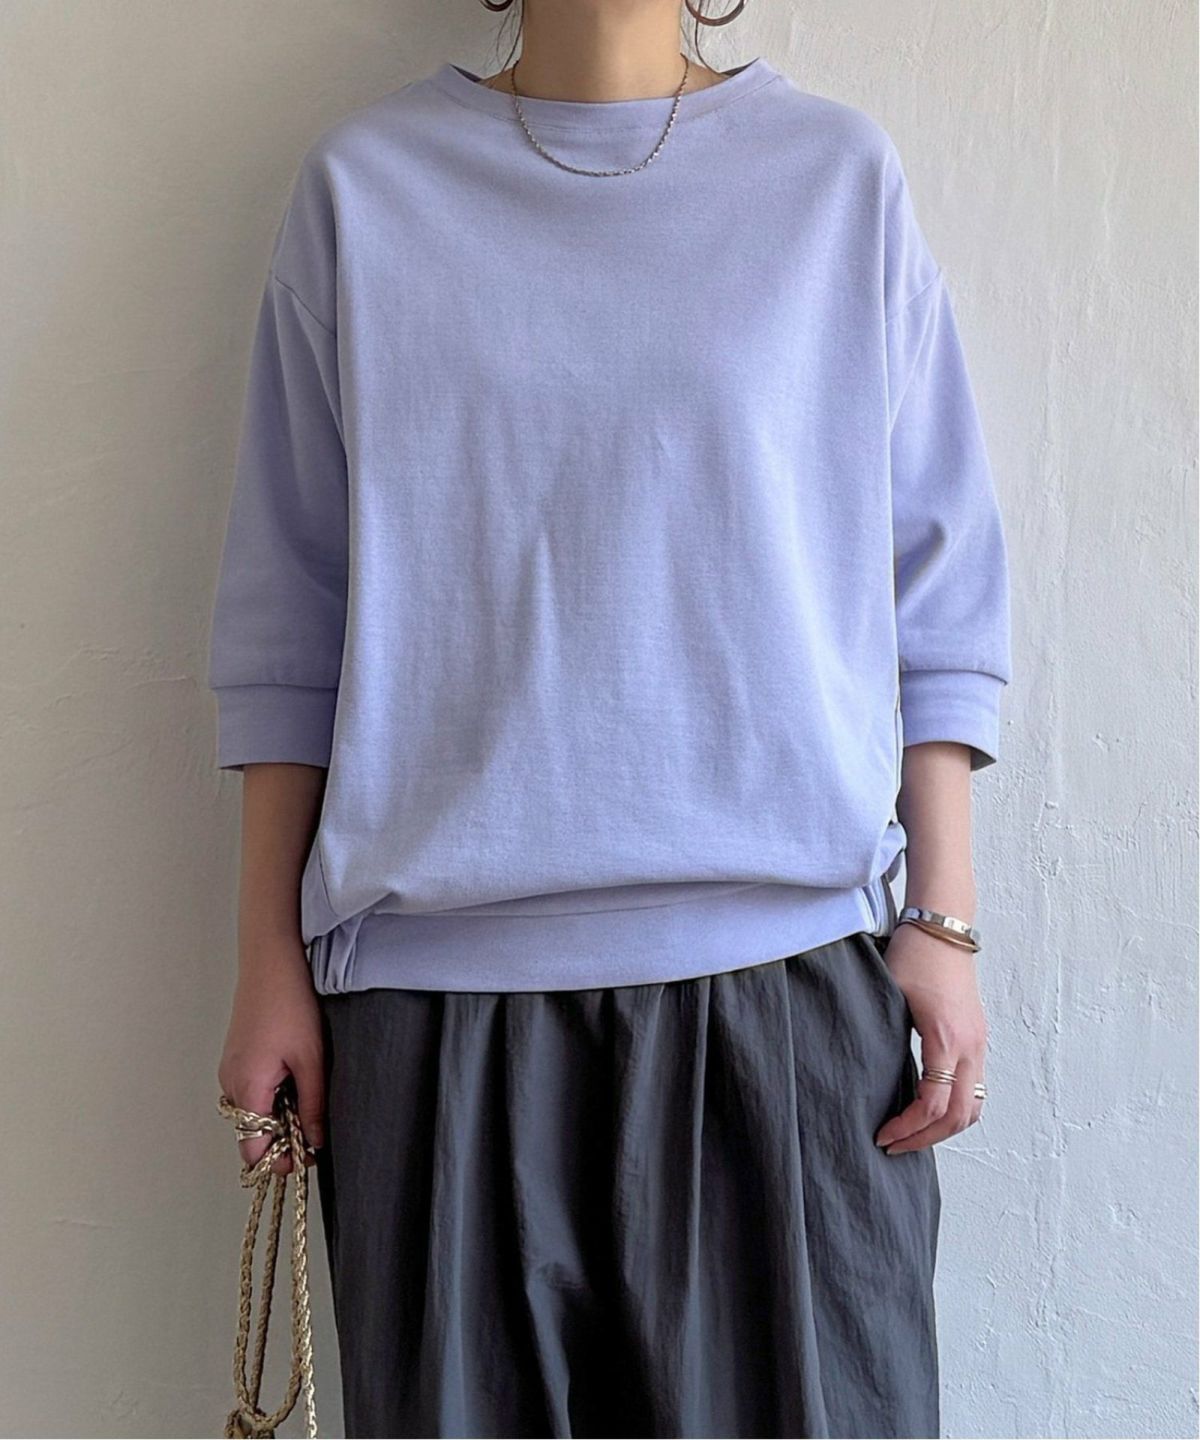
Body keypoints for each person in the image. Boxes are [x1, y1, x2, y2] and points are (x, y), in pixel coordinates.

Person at [208, 2, 1013, 1436]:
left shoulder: (833, 181)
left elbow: (934, 577)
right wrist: (268, 954)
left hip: (786, 999)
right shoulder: (365, 190)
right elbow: (293, 612)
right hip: (435, 1017)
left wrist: (941, 920)